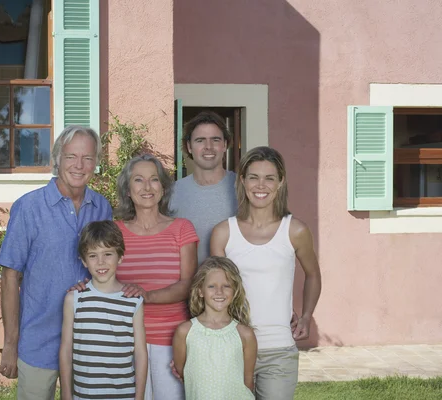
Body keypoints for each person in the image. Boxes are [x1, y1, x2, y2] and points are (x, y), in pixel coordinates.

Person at [0, 126, 113, 400]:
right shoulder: (29, 207)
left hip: (88, 341)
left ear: (96, 163)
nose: (79, 165)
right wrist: (10, 345)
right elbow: (9, 276)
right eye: (72, 156)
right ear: (58, 158)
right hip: (39, 340)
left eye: (88, 158)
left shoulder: (102, 208)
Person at [211, 146, 322, 400]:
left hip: (279, 350)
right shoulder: (223, 233)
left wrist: (306, 316)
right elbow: (214, 293)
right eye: (254, 177)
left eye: (269, 178)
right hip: (233, 347)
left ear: (280, 183)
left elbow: (313, 274)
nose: (261, 185)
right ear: (242, 180)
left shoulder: (295, 230)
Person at [115, 154, 198, 400]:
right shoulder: (115, 232)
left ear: (163, 187)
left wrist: (146, 295)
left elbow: (188, 285)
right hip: (125, 341)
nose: (147, 187)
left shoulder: (182, 228)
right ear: (128, 190)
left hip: (170, 339)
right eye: (138, 180)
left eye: (154, 180)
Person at [59, 220, 147, 400]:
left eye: (108, 254)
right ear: (84, 261)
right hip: (84, 395)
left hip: (124, 395)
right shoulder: (74, 299)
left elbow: (140, 353)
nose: (101, 262)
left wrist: (139, 397)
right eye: (93, 255)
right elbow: (66, 350)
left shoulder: (133, 301)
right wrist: (66, 395)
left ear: (120, 257)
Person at [172, 256, 257, 400]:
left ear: (234, 291)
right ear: (200, 291)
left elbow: (247, 382)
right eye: (212, 286)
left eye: (226, 286)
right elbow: (183, 371)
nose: (219, 292)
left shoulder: (245, 334)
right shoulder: (185, 332)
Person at [170, 111, 237, 264]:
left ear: (225, 144)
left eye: (215, 140)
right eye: (200, 140)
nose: (208, 147)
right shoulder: (172, 193)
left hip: (235, 285)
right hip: (186, 286)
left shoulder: (244, 189)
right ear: (189, 146)